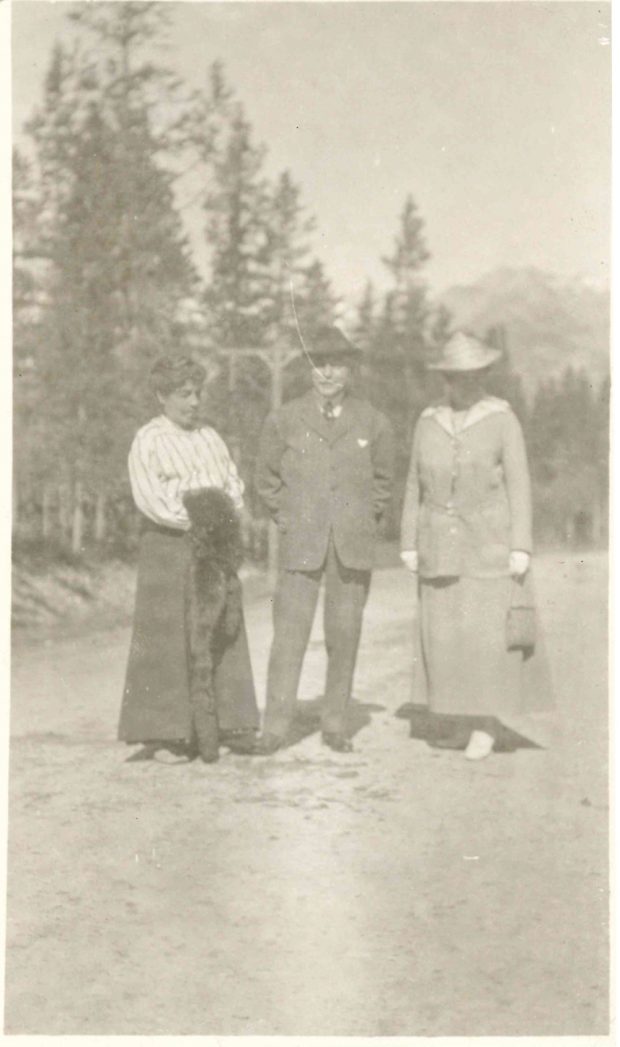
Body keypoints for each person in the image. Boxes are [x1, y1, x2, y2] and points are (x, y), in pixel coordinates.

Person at [400, 331, 553, 760]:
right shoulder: (427, 420)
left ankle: (486, 725)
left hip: (488, 544)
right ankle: (460, 721)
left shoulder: (502, 418)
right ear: (445, 378)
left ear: (483, 375)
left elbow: (519, 483)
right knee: (446, 637)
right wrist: (409, 539)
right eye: (454, 377)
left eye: (471, 376)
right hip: (438, 545)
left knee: (484, 639)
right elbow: (413, 483)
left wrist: (520, 545)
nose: (462, 384)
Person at [255, 325, 394, 754]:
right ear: (308, 369)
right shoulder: (284, 418)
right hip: (300, 545)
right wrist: (289, 518)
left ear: (350, 370)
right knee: (288, 638)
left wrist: (359, 522)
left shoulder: (373, 421)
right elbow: (265, 479)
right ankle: (275, 727)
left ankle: (335, 723)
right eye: (319, 364)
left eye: (336, 364)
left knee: (344, 635)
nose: (327, 373)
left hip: (350, 548)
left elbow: (384, 484)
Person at [118, 355, 260, 763]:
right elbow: (153, 500)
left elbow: (233, 484)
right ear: (162, 396)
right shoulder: (148, 440)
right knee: (168, 636)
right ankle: (167, 734)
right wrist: (198, 518)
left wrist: (222, 516)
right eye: (184, 394)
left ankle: (230, 723)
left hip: (213, 545)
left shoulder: (209, 438)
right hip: (170, 545)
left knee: (223, 627)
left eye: (197, 393)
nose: (194, 402)